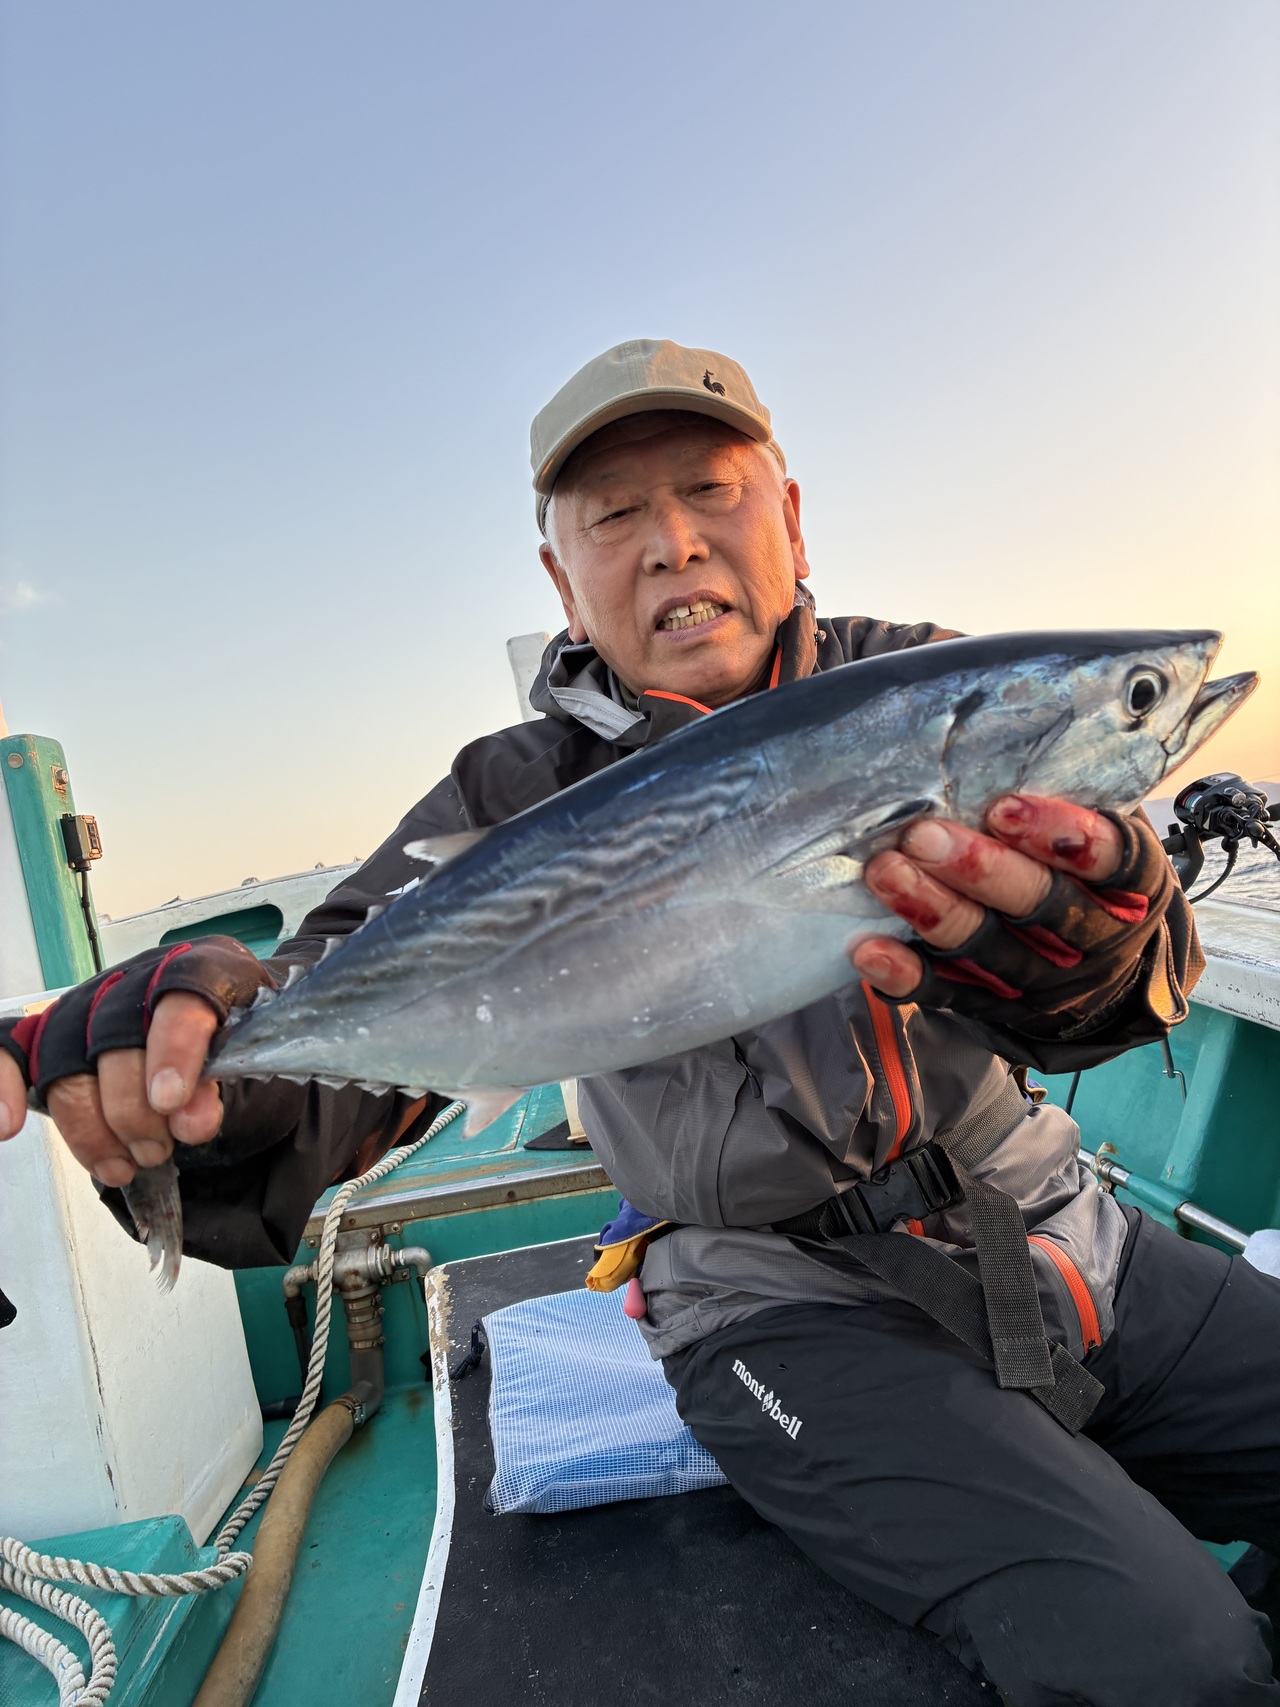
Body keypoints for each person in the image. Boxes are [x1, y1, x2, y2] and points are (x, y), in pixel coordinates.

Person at [3, 339, 1278, 1705]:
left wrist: (1099, 946)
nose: (673, 542)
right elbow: (323, 1034)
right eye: (616, 515)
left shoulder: (925, 685)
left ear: (790, 517)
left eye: (711, 491)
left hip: (1052, 1223)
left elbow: (1138, 977)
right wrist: (202, 1049)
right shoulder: (505, 794)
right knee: (1179, 1668)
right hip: (773, 1304)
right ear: (562, 576)